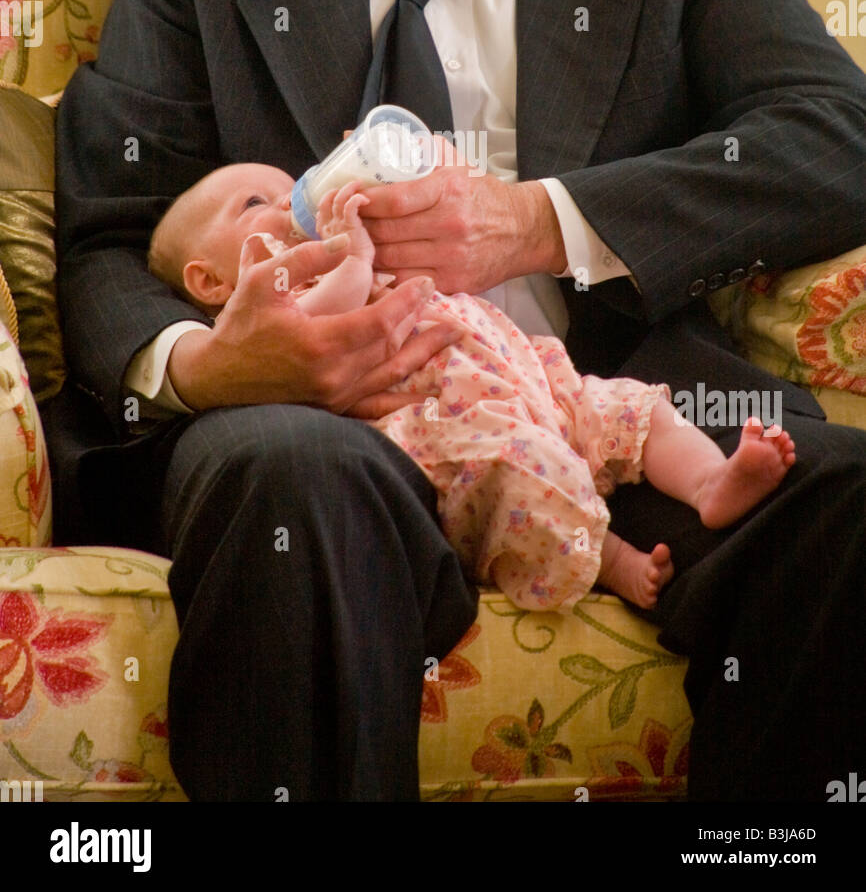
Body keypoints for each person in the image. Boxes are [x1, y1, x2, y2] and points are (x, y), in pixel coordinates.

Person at [49, 0, 866, 803]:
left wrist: (541, 223)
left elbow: (833, 132)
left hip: (606, 412)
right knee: (292, 475)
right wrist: (217, 364)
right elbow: (107, 232)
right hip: (317, 430)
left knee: (841, 499)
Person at [146, 161, 797, 612]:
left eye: (291, 188)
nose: (290, 206)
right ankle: (612, 560)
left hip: (528, 369)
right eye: (255, 204)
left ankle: (711, 481)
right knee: (525, 468)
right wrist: (356, 258)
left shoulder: (343, 251)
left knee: (637, 408)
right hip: (462, 424)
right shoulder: (271, 304)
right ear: (209, 283)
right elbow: (318, 321)